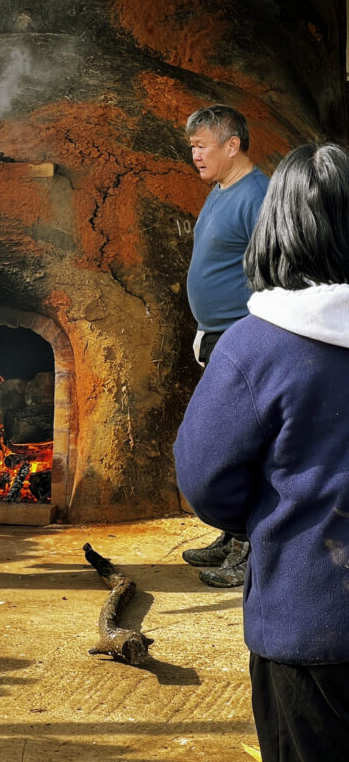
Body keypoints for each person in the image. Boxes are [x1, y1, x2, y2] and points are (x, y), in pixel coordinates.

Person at [174, 143, 349, 762]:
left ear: (276, 229)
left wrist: (264, 517)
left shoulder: (255, 348)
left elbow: (203, 479)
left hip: (307, 622)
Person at [181, 104, 268, 588]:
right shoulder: (221, 189)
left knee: (246, 446)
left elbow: (274, 271)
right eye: (192, 145)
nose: (194, 154)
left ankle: (252, 550)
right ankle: (232, 533)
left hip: (241, 336)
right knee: (228, 445)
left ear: (232, 145)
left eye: (202, 145)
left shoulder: (259, 196)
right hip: (217, 334)